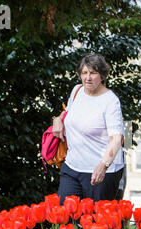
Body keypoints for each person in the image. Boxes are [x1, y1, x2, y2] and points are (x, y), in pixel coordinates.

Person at [52, 53, 125, 204]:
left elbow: (117, 138)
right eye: (84, 73)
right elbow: (68, 113)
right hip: (72, 166)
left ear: (102, 75)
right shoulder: (77, 91)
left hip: (100, 172)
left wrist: (103, 166)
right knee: (65, 216)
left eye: (93, 73)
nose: (88, 78)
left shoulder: (110, 101)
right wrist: (58, 120)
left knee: (97, 223)